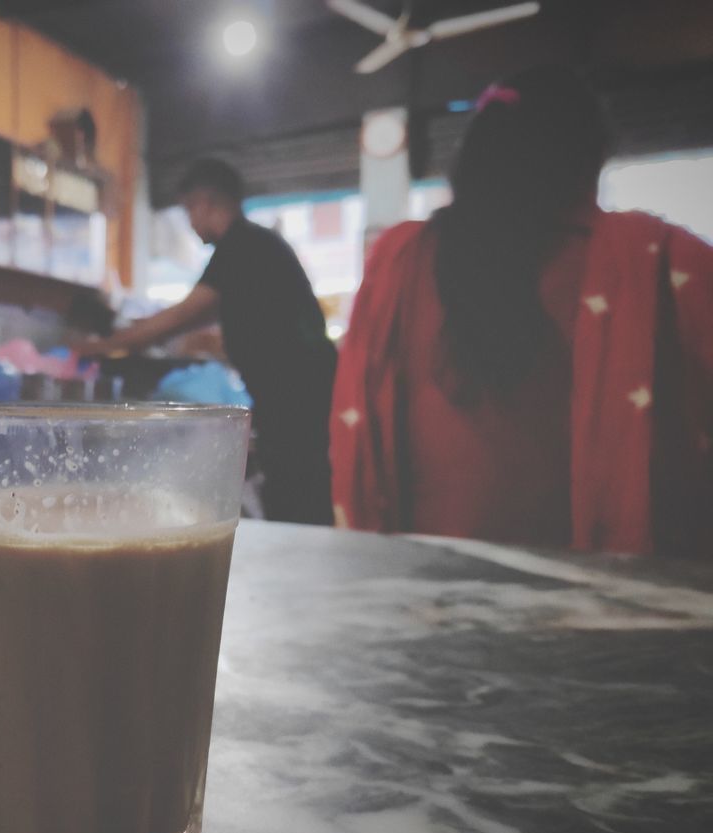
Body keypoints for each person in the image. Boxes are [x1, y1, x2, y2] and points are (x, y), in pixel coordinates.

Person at [332, 66, 713, 557]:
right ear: (591, 158)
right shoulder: (658, 261)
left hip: (423, 596)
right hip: (611, 609)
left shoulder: (402, 260)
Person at [81, 158, 337, 524]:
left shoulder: (240, 246)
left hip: (295, 397)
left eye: (188, 211)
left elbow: (177, 319)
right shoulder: (256, 245)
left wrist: (102, 347)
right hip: (303, 392)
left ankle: (307, 576)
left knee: (296, 500)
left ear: (204, 202)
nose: (190, 222)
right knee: (299, 494)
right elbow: (192, 319)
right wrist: (134, 333)